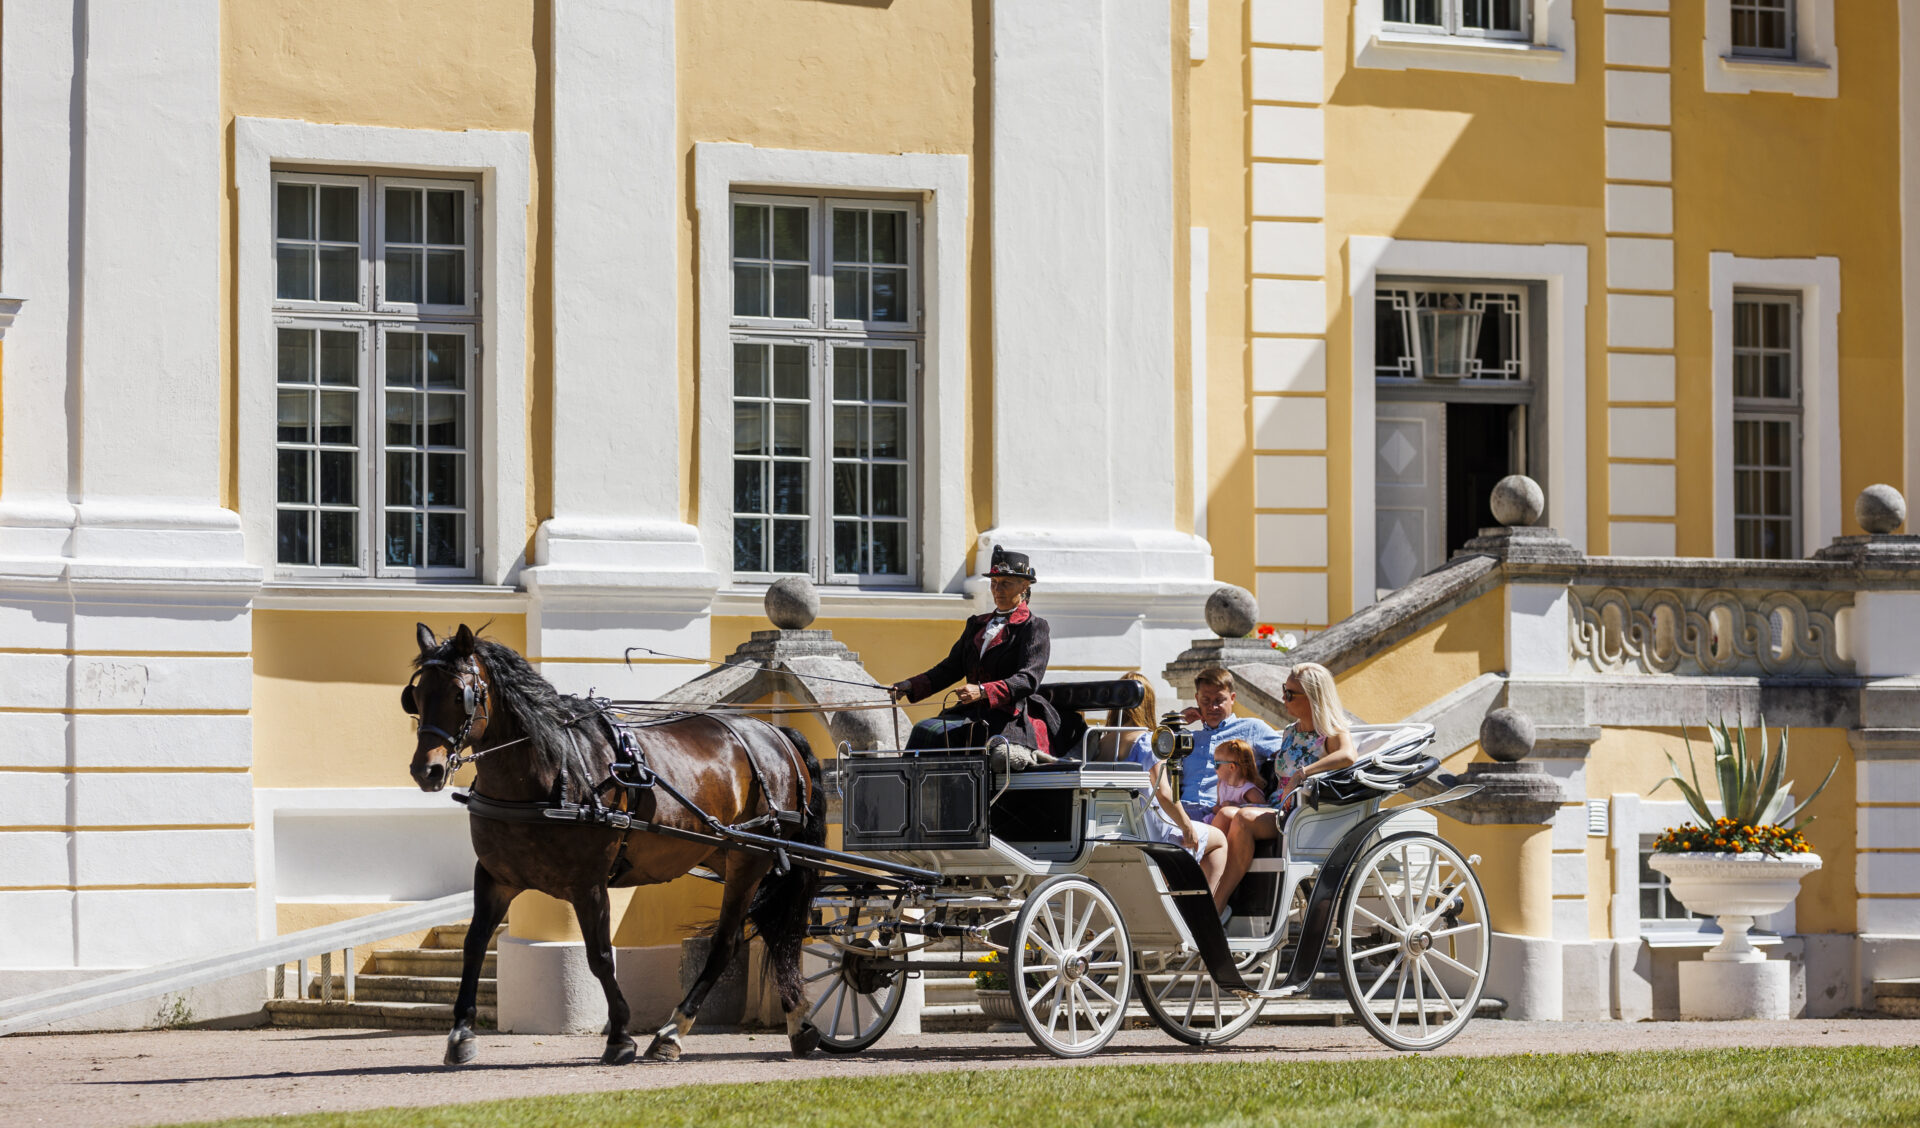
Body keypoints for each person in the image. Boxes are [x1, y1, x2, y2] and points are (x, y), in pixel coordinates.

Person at [889, 547, 1060, 756]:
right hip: (971, 711)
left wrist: (983, 691)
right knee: (925, 729)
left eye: (1006, 583)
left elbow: (1028, 679)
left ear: (1024, 586)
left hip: (1008, 715)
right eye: (994, 583)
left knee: (946, 733)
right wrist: (910, 686)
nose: (998, 590)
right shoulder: (976, 625)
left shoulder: (1034, 627)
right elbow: (950, 668)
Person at [1214, 661, 1358, 903]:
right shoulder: (1290, 731)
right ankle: (1206, 883)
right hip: (1279, 806)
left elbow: (1347, 756)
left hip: (1302, 814)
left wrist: (1304, 772)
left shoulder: (1332, 732)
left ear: (1312, 697)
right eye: (1284, 688)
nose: (1283, 696)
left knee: (1241, 817)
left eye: (1290, 693)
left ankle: (1218, 901)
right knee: (1226, 813)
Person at [1114, 671, 1230, 909]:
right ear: (1148, 703)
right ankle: (1201, 915)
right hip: (1151, 830)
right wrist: (1186, 826)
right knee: (1218, 841)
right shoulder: (1147, 740)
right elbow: (1164, 793)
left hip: (1121, 829)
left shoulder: (1105, 739)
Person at [1205, 739, 1267, 835]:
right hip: (1219, 822)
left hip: (1235, 828)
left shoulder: (1247, 789)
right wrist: (1217, 808)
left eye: (1217, 764)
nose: (1214, 768)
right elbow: (1217, 806)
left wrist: (1237, 807)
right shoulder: (1221, 784)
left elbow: (1263, 809)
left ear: (1232, 767)